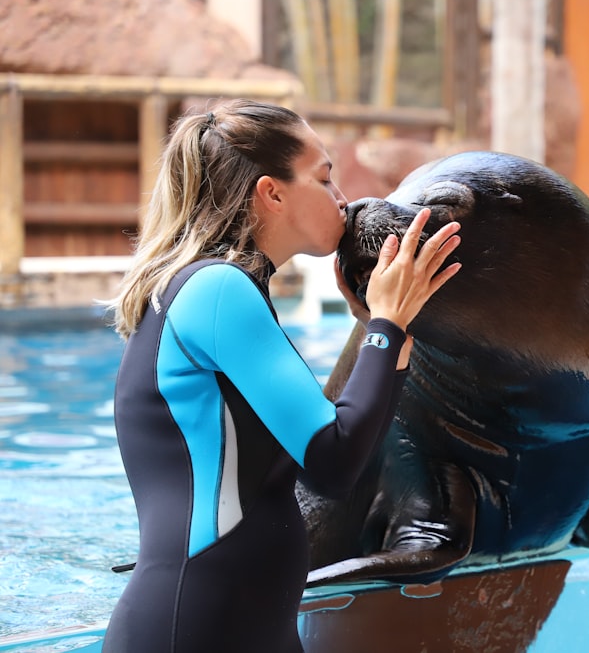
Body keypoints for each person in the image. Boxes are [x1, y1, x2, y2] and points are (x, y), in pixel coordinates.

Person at [102, 99, 461, 653]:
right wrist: (385, 326)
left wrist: (385, 327)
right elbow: (333, 461)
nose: (343, 200)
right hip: (193, 627)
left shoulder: (220, 290)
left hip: (242, 625)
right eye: (324, 178)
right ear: (272, 193)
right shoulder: (218, 290)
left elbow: (336, 457)